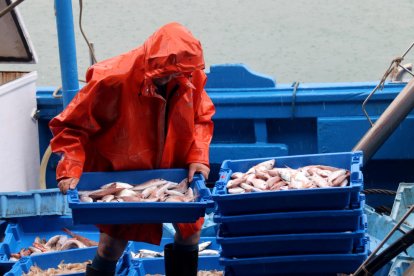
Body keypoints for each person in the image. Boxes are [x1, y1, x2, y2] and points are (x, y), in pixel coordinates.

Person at [49, 22, 215, 276]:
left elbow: (202, 117)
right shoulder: (110, 79)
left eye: (178, 74)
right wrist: (70, 166)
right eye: (166, 74)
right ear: (150, 63)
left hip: (175, 171)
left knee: (190, 231)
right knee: (111, 245)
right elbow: (71, 126)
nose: (172, 79)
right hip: (122, 172)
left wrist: (198, 156)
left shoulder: (189, 73)